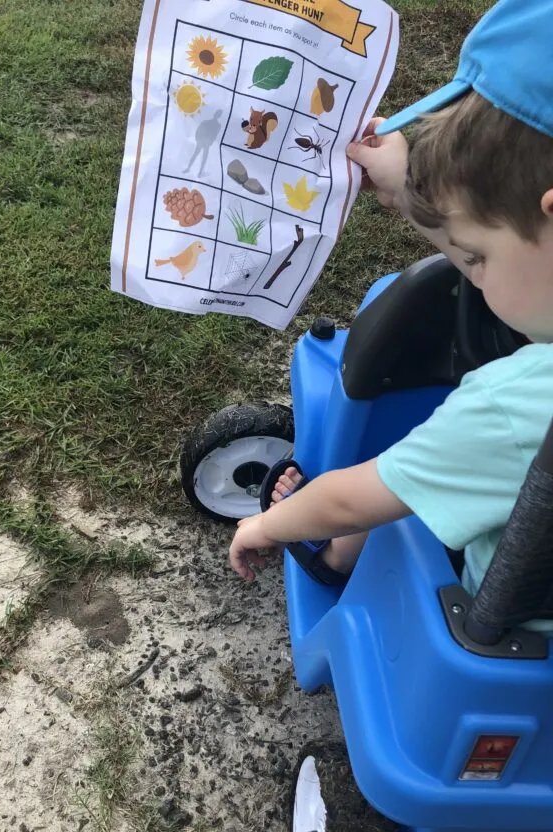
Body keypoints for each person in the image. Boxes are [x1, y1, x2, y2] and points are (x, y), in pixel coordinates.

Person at [228, 0, 553, 632]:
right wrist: (412, 191)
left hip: (504, 626)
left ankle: (336, 560)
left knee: (405, 498)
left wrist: (265, 524)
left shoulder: (519, 407)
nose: (470, 273)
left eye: (476, 258)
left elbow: (350, 498)